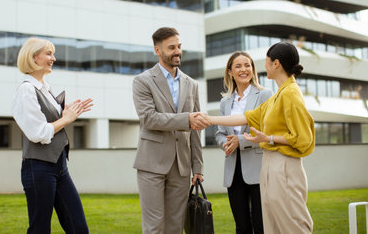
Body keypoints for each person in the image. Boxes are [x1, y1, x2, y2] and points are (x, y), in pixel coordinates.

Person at [203, 42, 315, 234]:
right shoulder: (279, 94)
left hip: (284, 166)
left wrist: (268, 138)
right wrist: (208, 119)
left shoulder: (290, 94)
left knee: (292, 225)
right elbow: (247, 117)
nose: (262, 66)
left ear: (276, 63)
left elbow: (303, 139)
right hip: (272, 166)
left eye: (266, 61)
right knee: (275, 226)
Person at [132, 27, 211, 234]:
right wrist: (186, 119)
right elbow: (149, 119)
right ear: (158, 50)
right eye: (171, 48)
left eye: (179, 46)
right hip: (151, 163)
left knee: (176, 226)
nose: (177, 52)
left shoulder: (191, 84)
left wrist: (198, 166)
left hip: (182, 165)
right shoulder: (143, 81)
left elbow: (196, 129)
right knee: (155, 226)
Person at [12, 37, 93, 234]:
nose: (53, 58)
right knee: (40, 229)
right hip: (38, 167)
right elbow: (37, 133)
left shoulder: (45, 88)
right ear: (33, 57)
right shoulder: (26, 90)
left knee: (78, 228)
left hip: (59, 167)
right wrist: (66, 119)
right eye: (48, 53)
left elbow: (52, 119)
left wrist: (67, 112)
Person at [215, 51, 272, 234]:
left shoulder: (265, 95)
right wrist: (226, 143)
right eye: (238, 66)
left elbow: (267, 132)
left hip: (258, 168)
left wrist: (240, 141)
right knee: (241, 227)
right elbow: (219, 133)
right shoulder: (225, 102)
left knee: (261, 225)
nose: (243, 69)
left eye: (247, 65)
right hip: (233, 170)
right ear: (230, 72)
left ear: (253, 69)